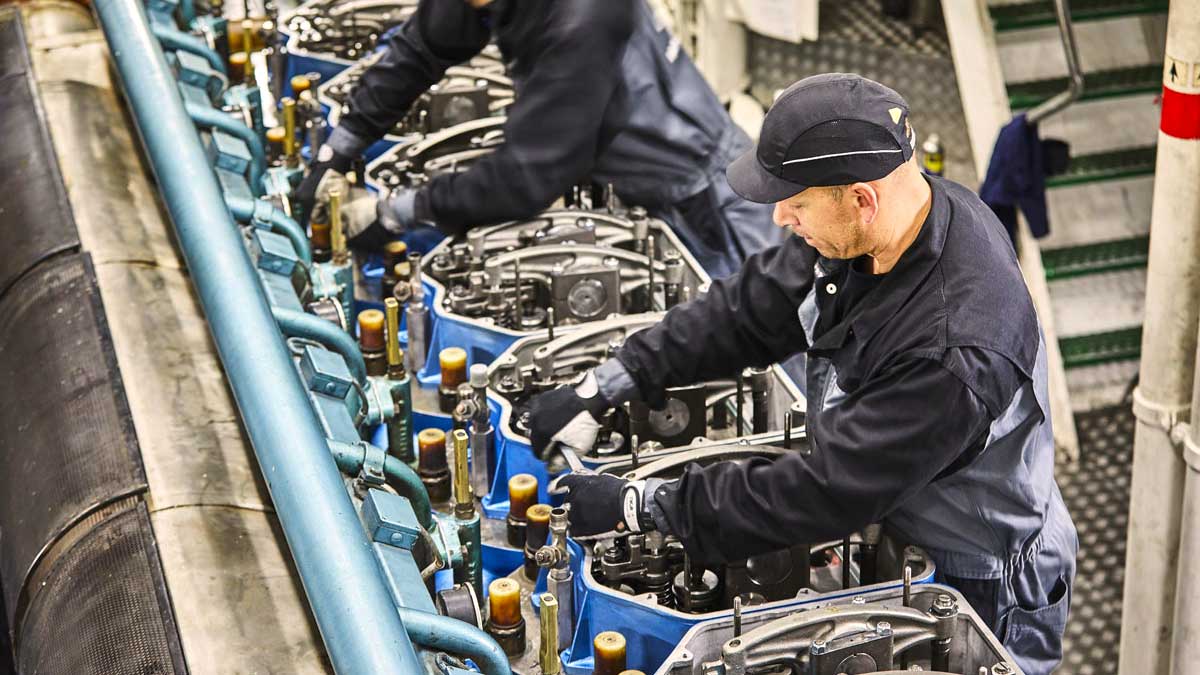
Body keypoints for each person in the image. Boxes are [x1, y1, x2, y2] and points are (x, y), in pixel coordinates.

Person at [528, 74, 1077, 675]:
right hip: (896, 510)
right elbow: (752, 308)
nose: (782, 218)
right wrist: (610, 381)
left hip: (983, 579)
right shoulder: (879, 226)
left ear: (861, 199)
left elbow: (828, 487)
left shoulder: (953, 347)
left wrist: (643, 505)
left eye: (795, 201)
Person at [295, 0, 786, 277]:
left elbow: (525, 178)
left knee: (782, 358)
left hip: (715, 204)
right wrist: (339, 148)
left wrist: (391, 213)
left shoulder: (583, 17)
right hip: (635, 190)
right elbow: (419, 49)